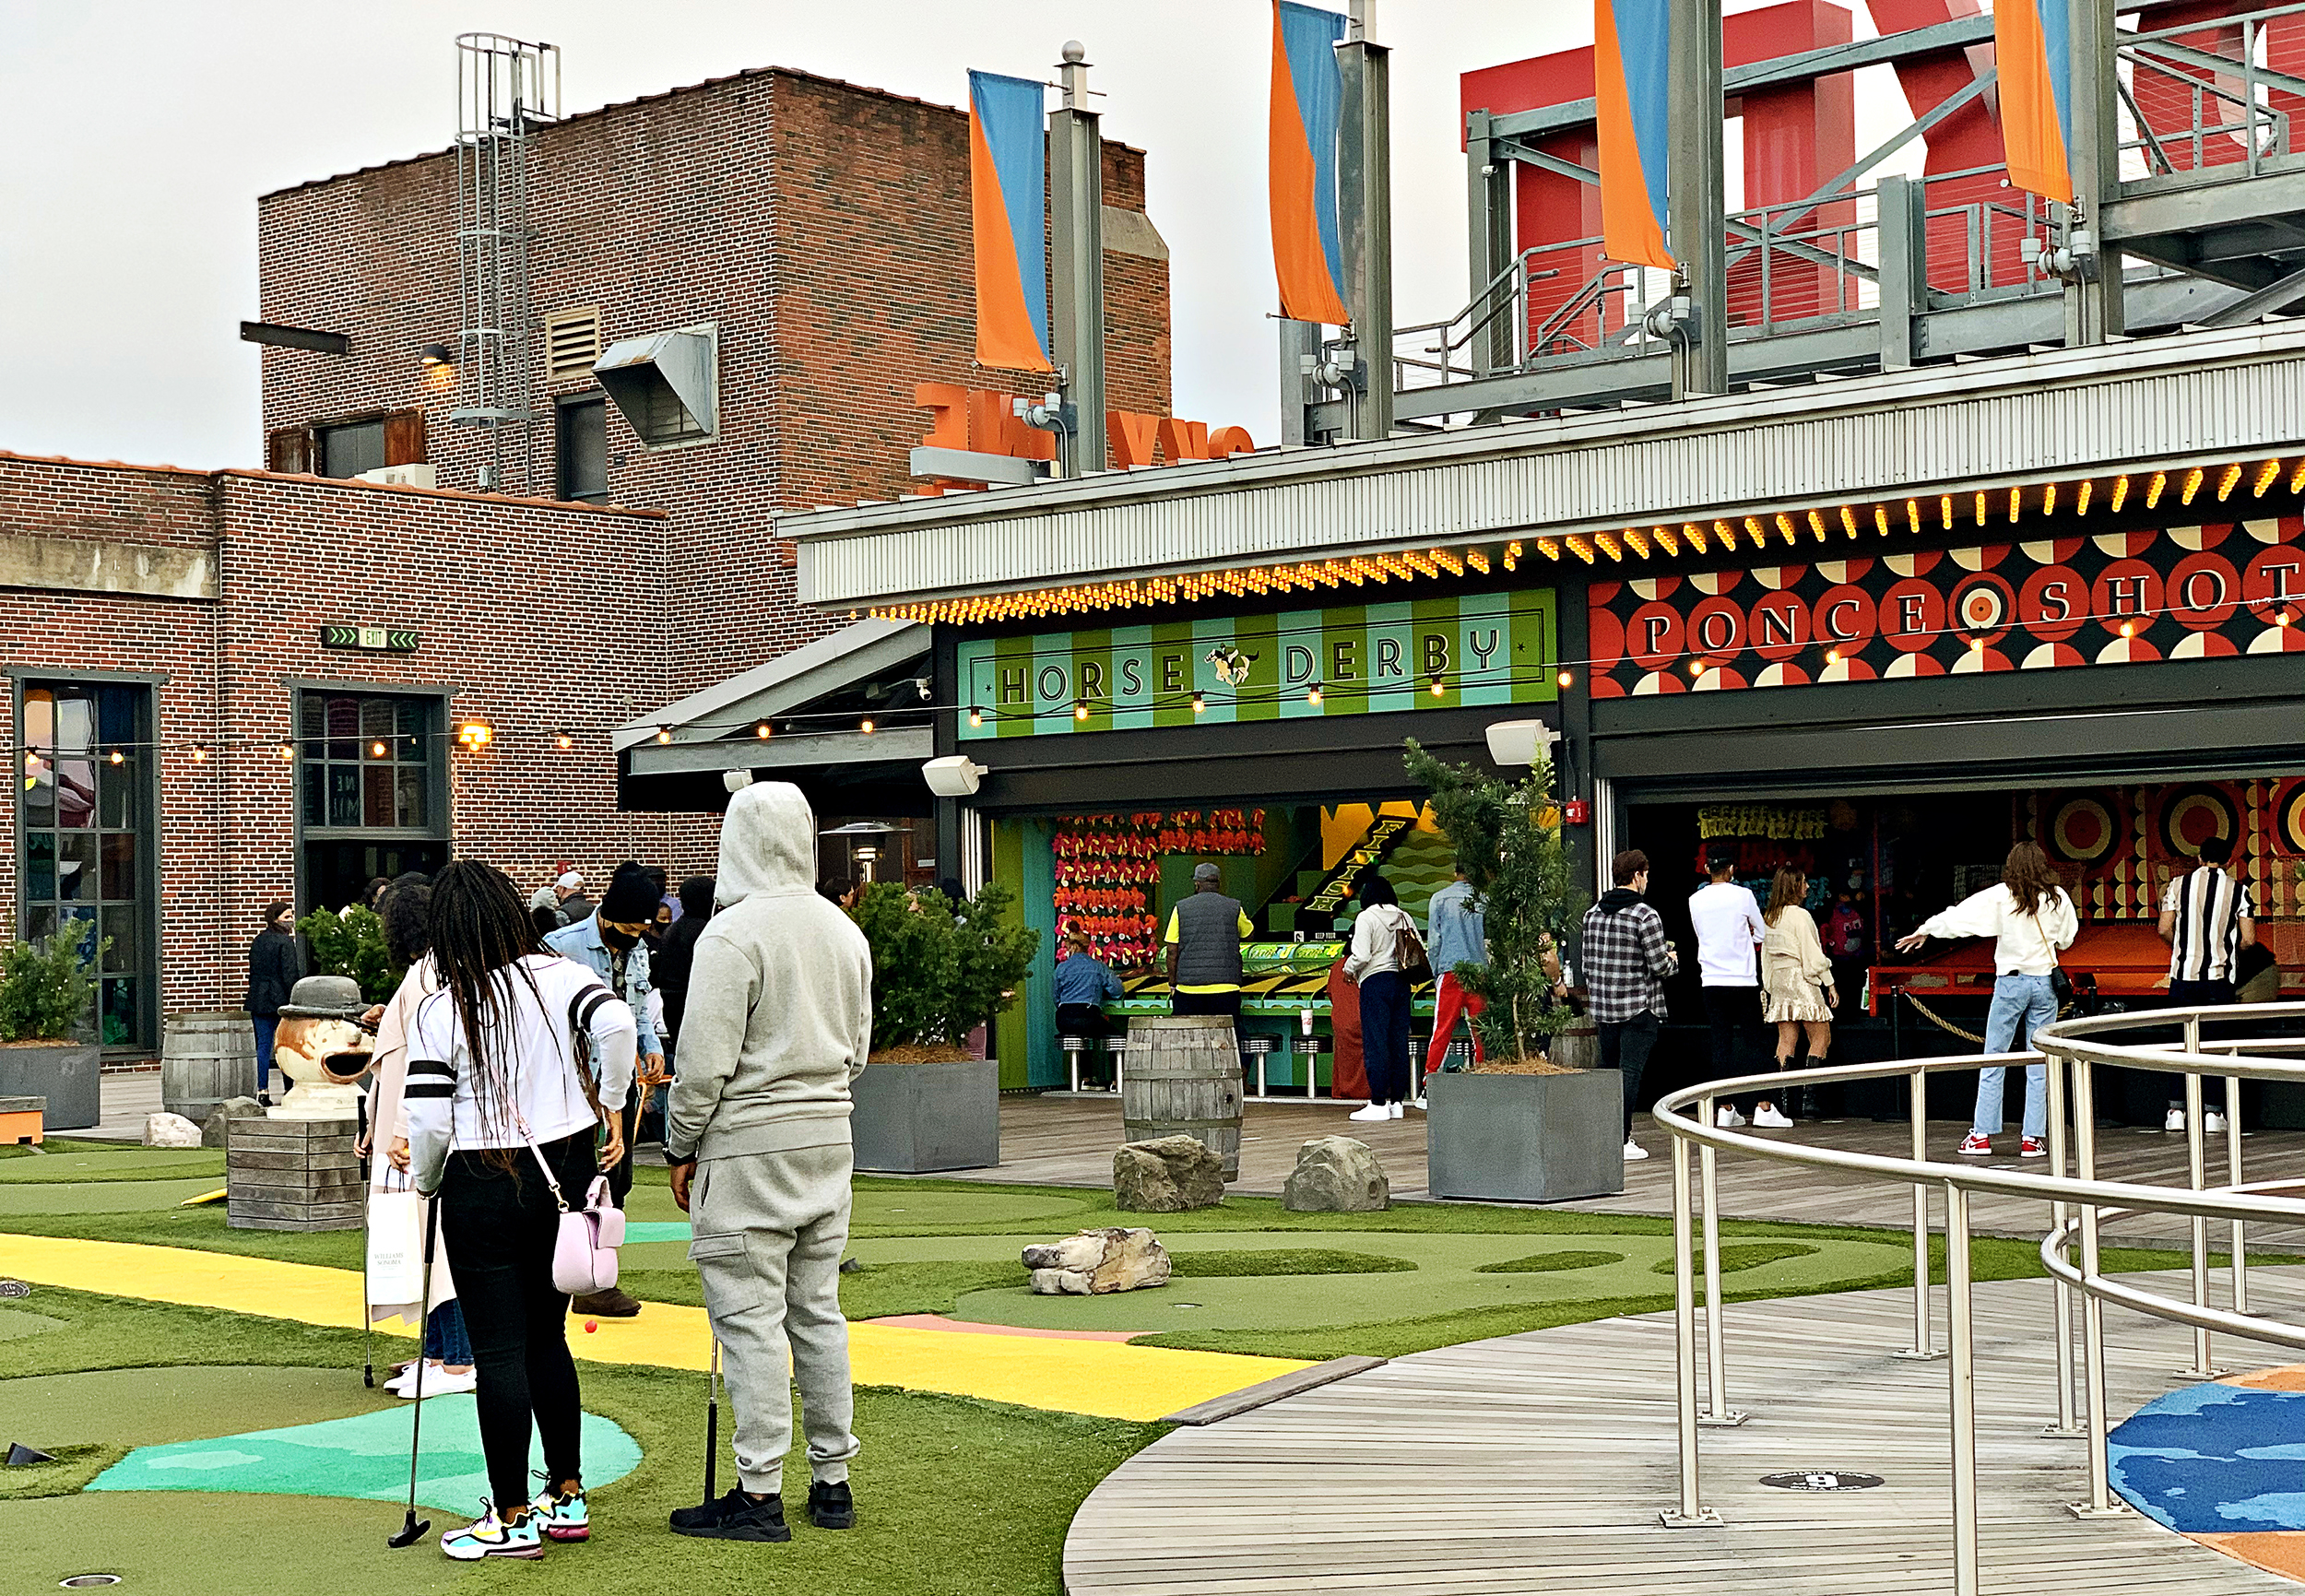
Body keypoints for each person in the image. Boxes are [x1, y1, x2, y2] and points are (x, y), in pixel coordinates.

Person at [404, 859, 635, 1561]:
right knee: (546, 1340)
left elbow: (428, 1119)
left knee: (498, 1350)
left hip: (480, 1177)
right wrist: (614, 1107)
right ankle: (566, 1493)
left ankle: (510, 1515)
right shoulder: (562, 975)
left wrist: (427, 1179)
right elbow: (619, 1024)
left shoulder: (443, 1005)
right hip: (563, 1168)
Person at [664, 780, 871, 1543]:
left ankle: (758, 1492)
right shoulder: (844, 931)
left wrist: (681, 1146)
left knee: (749, 1320)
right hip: (829, 1136)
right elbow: (858, 1050)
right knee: (817, 1311)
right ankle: (833, 1481)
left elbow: (701, 1067)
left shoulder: (730, 934)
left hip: (748, 1144)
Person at [359, 873, 473, 1398]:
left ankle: (458, 1358)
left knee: (436, 1241)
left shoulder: (428, 976)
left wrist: (402, 1132)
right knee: (421, 1238)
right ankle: (438, 1350)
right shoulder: (430, 972)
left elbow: (422, 1060)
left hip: (414, 1128)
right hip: (405, 1124)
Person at [1896, 840, 2077, 1159]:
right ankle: (2032, 1138)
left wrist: (1926, 929)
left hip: (2010, 983)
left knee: (1994, 1058)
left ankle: (1981, 1135)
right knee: (2039, 1063)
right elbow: (2067, 937)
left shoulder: (2002, 895)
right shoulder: (2057, 896)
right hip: (2046, 983)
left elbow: (1962, 917)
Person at [543, 867, 665, 1318]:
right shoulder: (564, 945)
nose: (637, 936)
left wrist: (650, 1048)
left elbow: (637, 1009)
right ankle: (578, 1277)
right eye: (630, 927)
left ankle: (599, 1274)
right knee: (576, 1179)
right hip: (576, 1085)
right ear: (610, 915)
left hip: (621, 1081)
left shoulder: (637, 953)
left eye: (643, 929)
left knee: (618, 1180)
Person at [1581, 850, 1677, 1161]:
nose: (1647, 880)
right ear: (1637, 875)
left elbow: (1587, 963)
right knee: (1630, 1074)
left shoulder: (1592, 914)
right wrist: (1673, 960)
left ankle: (1607, 1136)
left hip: (1605, 1007)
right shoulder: (1644, 915)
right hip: (1638, 1005)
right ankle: (1622, 1140)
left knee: (1609, 1074)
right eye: (1646, 874)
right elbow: (1659, 966)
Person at [2157, 833, 2256, 1133]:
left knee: (2180, 1044)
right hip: (2218, 981)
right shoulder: (2239, 890)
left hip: (2182, 979)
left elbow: (2164, 927)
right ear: (2228, 861)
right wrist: (2228, 951)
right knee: (2214, 1046)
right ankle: (2213, 1114)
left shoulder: (2177, 885)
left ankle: (2176, 1110)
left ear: (2199, 858)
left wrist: (2180, 949)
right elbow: (2249, 939)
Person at [1690, 850, 1778, 1129]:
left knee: (1720, 1043)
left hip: (1712, 979)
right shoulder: (1743, 895)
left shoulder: (1695, 900)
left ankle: (1725, 1107)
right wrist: (1742, 940)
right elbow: (1761, 932)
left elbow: (1700, 934)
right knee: (1755, 1042)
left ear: (1706, 868)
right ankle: (1763, 1106)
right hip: (1742, 979)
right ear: (1730, 869)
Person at [1164, 864, 1255, 1093]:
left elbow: (1172, 951)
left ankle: (1186, 1082)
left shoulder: (1180, 908)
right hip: (1226, 986)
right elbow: (1249, 933)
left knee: (1185, 1037)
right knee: (1233, 1034)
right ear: (1218, 883)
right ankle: (1239, 1077)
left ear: (1196, 883)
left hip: (1189, 988)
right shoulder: (1234, 907)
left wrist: (1173, 983)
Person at [1759, 866, 1836, 1122]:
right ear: (1794, 886)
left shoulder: (1769, 916)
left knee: (1786, 1041)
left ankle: (1783, 1103)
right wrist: (1829, 982)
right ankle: (1810, 1103)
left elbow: (1765, 957)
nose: (1808, 887)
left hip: (1779, 981)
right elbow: (1813, 956)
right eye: (1804, 882)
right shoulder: (1801, 916)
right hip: (1801, 978)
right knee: (1821, 1037)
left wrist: (1769, 987)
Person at [1343, 874, 1415, 1123]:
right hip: (1402, 983)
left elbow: (1361, 954)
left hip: (1375, 982)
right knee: (1398, 1042)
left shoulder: (1366, 917)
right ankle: (1397, 1102)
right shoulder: (1405, 916)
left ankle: (1377, 1102)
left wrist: (1348, 969)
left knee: (1376, 1042)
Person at [1423, 864, 1488, 1086]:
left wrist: (1435, 972)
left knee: (1442, 1029)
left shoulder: (1439, 899)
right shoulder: (1484, 899)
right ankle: (1485, 1076)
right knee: (1481, 1029)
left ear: (1455, 873)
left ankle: (1430, 1081)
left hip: (1450, 969)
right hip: (1479, 971)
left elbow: (1434, 941)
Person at [245, 901, 305, 1108]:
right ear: (276, 919)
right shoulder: (285, 942)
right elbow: (289, 974)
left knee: (263, 1046)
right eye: (287, 917)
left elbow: (253, 971)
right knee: (284, 1046)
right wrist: (295, 1000)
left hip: (258, 997)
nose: (291, 921)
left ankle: (262, 1091)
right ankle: (289, 1088)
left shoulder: (258, 941)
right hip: (280, 999)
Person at [1053, 931, 1125, 1089]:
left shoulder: (1061, 968)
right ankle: (1116, 1082)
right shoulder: (1097, 967)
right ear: (1088, 947)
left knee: (1081, 1038)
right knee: (1117, 1037)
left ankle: (1086, 1079)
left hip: (1063, 1019)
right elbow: (1117, 990)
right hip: (1087, 1015)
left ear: (1070, 947)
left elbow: (1056, 998)